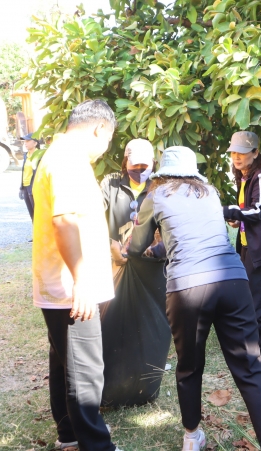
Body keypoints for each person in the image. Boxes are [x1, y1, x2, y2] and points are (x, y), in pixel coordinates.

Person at [128, 146, 261, 451]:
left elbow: (135, 246)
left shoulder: (155, 196)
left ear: (163, 173)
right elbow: (199, 236)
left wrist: (138, 247)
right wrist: (161, 249)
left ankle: (192, 437)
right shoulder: (208, 193)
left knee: (190, 366)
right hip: (233, 281)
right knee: (251, 365)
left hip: (188, 288)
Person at [31, 99, 122, 451]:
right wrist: (82, 280)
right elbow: (64, 222)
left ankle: (69, 435)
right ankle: (97, 446)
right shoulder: (68, 159)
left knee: (66, 363)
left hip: (63, 284)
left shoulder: (60, 154)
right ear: (100, 128)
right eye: (109, 139)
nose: (106, 148)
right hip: (72, 286)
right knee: (85, 371)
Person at [99, 138, 170, 407]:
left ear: (154, 163)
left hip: (151, 269)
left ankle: (144, 386)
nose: (140, 170)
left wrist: (157, 247)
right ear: (125, 162)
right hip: (117, 265)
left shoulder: (160, 186)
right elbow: (93, 218)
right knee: (114, 322)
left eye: (145, 165)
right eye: (134, 164)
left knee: (149, 326)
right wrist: (110, 245)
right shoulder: (111, 184)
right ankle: (113, 385)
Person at [222, 131, 261, 367]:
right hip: (249, 245)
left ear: (256, 153)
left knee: (258, 300)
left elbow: (258, 210)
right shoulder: (244, 176)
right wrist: (237, 220)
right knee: (248, 296)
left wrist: (226, 211)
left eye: (242, 152)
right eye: (233, 153)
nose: (237, 157)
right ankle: (250, 345)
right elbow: (248, 211)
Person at [19, 132, 45, 220]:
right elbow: (24, 172)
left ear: (35, 143)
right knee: (32, 214)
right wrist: (21, 188)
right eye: (24, 141)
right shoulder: (26, 155)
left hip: (35, 188)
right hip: (26, 187)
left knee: (38, 213)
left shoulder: (40, 155)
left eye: (28, 141)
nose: (25, 143)